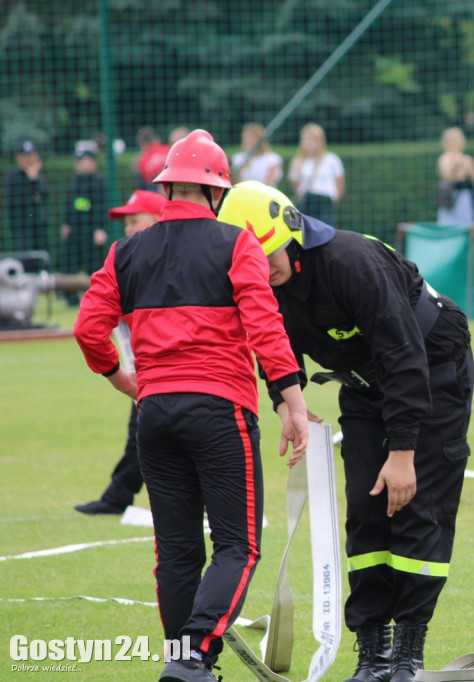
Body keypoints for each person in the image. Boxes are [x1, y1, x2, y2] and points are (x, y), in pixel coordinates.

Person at [73, 130, 309, 682]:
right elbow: (265, 327)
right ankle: (195, 658)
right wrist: (292, 403)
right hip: (220, 410)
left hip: (153, 414)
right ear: (216, 190)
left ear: (169, 186)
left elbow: (88, 328)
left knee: (177, 552)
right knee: (238, 545)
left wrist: (121, 378)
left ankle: (185, 663)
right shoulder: (236, 243)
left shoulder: (126, 250)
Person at [217, 181, 474, 682]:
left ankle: (408, 656)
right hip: (361, 387)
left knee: (416, 507)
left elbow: (405, 358)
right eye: (251, 258)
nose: (262, 267)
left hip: (433, 370)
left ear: (292, 234)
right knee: (366, 509)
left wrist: (403, 453)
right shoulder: (261, 281)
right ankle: (373, 654)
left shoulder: (352, 263)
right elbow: (270, 343)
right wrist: (285, 403)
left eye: (268, 253)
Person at [73, 190, 168, 516]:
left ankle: (118, 497)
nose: (127, 229)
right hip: (143, 371)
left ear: (158, 220)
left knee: (148, 437)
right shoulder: (128, 262)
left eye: (133, 220)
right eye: (125, 223)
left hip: (165, 371)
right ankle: (117, 497)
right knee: (140, 437)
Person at [59, 145, 108, 280]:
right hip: (75, 229)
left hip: (91, 230)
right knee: (70, 262)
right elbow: (70, 204)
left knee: (93, 264)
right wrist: (66, 223)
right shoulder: (75, 182)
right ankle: (70, 297)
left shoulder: (98, 182)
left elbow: (101, 207)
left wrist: (100, 228)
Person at [288, 122, 345, 225]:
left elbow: (339, 183)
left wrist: (334, 200)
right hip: (307, 202)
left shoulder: (331, 159)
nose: (308, 143)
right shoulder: (298, 161)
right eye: (305, 139)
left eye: (311, 139)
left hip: (325, 202)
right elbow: (296, 185)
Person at [3, 140, 49, 254]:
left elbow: (45, 197)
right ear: (19, 158)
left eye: (32, 155)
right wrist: (32, 189)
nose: (30, 159)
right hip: (21, 226)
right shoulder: (12, 177)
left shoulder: (40, 177)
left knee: (41, 255)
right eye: (26, 156)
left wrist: (34, 179)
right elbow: (16, 200)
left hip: (39, 225)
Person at [436, 127, 474, 226]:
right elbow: (447, 176)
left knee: (466, 225)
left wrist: (473, 173)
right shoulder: (444, 158)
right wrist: (457, 163)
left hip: (464, 198)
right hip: (448, 198)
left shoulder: (467, 160)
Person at [231, 122, 283, 187]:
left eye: (251, 138)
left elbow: (270, 184)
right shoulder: (238, 158)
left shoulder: (273, 159)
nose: (247, 141)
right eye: (245, 137)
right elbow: (235, 184)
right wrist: (241, 169)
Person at [135, 126, 171, 192]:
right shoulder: (168, 149)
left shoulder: (143, 160)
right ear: (157, 139)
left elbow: (144, 182)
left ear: (143, 144)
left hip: (155, 190)